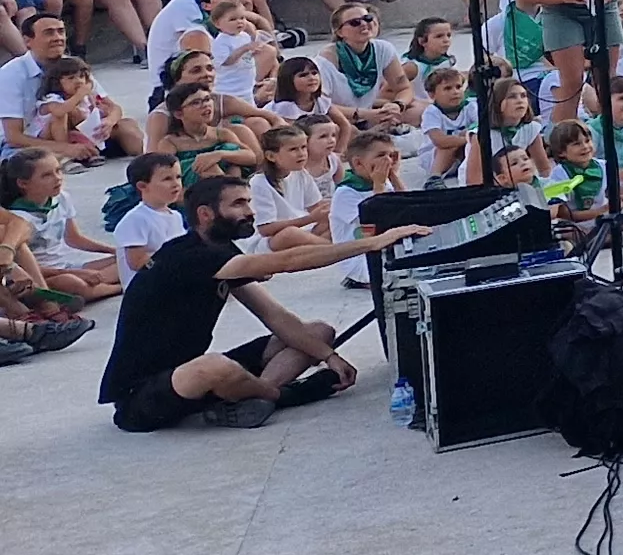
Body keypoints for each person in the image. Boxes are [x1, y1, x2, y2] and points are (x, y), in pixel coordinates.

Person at [97, 172, 428, 431]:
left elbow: (273, 315)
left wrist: (329, 356)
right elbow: (286, 261)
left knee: (318, 333)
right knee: (215, 366)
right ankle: (281, 395)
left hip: (191, 378)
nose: (249, 212)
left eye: (249, 202)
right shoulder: (188, 257)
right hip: (141, 398)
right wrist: (372, 244)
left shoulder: (221, 251)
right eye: (238, 204)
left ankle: (246, 398)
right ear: (205, 214)